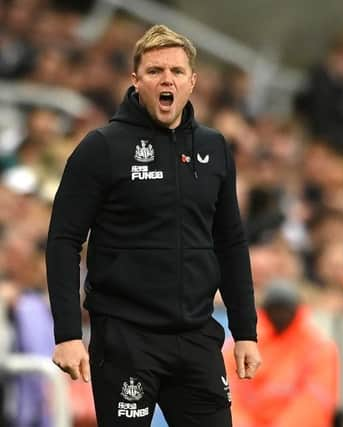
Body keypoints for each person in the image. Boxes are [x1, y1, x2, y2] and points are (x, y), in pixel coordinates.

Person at [45, 24, 261, 426]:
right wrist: (68, 335)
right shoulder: (102, 147)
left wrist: (245, 330)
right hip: (125, 338)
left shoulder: (214, 148)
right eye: (155, 71)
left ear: (192, 82)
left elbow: (230, 242)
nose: (167, 80)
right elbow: (63, 240)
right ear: (136, 81)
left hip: (197, 336)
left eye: (177, 72)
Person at [222, 280, 339, 427]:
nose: (280, 315)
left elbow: (316, 400)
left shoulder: (320, 348)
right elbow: (228, 393)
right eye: (275, 309)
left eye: (284, 310)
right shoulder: (240, 345)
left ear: (297, 310)